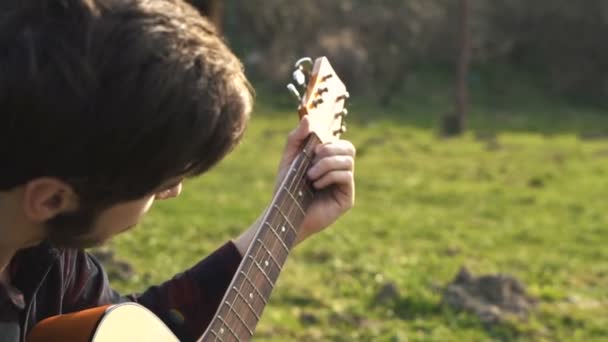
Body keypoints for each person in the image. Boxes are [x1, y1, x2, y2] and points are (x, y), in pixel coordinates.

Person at [0, 0, 356, 341]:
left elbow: (130, 328)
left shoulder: (44, 255)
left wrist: (284, 223)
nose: (173, 192)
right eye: (160, 183)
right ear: (51, 198)